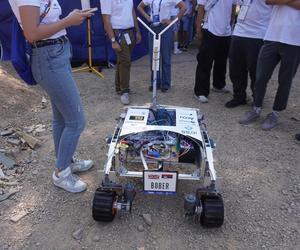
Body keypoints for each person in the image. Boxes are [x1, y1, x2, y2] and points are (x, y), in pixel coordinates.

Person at [8, 0, 95, 193]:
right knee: (76, 120)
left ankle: (65, 160)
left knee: (62, 118)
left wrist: (70, 18)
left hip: (56, 53)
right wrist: (68, 21)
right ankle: (61, 173)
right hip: (48, 57)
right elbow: (31, 34)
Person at [239, 0, 300, 131]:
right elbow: (269, 1)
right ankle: (256, 108)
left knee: (285, 81)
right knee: (260, 76)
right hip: (272, 36)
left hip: (294, 40)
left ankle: (275, 113)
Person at [225, 0, 273, 108]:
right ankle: (239, 97)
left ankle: (257, 98)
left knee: (255, 70)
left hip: (258, 34)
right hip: (238, 32)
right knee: (235, 68)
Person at [138, 0, 186, 92]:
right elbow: (139, 7)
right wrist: (147, 17)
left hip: (165, 27)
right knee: (154, 57)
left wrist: (173, 20)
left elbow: (184, 7)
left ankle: (165, 84)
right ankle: (155, 83)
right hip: (152, 28)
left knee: (165, 57)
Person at [194, 0, 237, 103]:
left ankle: (219, 85)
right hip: (210, 28)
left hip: (225, 31)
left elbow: (233, 7)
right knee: (205, 62)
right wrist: (198, 29)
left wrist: (230, 23)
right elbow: (200, 9)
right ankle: (200, 91)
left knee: (221, 61)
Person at [100, 0, 142, 105]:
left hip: (129, 31)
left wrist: (137, 31)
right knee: (126, 62)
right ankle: (125, 91)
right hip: (118, 33)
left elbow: (132, 11)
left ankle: (119, 87)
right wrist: (113, 40)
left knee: (122, 61)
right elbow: (106, 19)